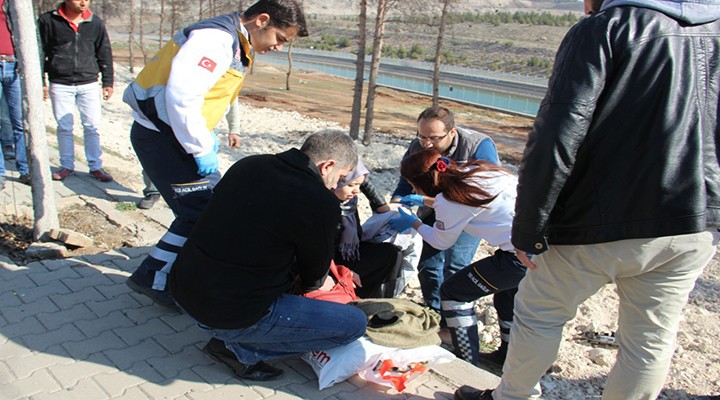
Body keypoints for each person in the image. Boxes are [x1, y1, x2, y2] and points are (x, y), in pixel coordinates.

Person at [454, 0, 720, 399]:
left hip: (596, 220)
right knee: (650, 336)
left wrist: (528, 229)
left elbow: (558, 133)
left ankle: (512, 396)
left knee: (540, 314)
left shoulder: (604, 28)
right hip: (693, 219)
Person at [122, 0, 308, 309]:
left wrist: (206, 134)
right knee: (199, 213)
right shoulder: (216, 40)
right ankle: (153, 278)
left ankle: (165, 273)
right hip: (162, 138)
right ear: (262, 20)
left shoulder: (236, 42)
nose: (278, 48)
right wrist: (201, 147)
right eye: (280, 39)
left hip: (177, 136)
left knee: (207, 210)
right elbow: (181, 97)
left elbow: (209, 96)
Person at [169, 129, 366, 381]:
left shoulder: (249, 164)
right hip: (231, 313)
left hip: (182, 287)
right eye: (340, 176)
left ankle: (233, 335)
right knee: (353, 325)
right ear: (327, 166)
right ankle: (238, 349)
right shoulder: (320, 201)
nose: (336, 184)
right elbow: (312, 280)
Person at [388, 148, 525, 367]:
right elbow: (466, 204)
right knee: (506, 296)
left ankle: (466, 362)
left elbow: (441, 241)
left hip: (518, 258)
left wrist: (414, 223)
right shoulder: (475, 169)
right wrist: (425, 201)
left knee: (454, 293)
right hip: (537, 248)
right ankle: (507, 355)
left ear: (425, 181)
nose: (413, 189)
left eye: (414, 185)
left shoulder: (450, 201)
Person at [390, 105, 500, 314]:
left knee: (456, 263)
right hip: (433, 208)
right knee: (428, 262)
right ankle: (435, 309)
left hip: (470, 214)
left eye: (434, 138)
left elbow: (483, 191)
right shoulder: (417, 146)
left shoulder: (477, 146)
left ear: (452, 132)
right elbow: (406, 182)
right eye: (422, 136)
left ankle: (456, 316)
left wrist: (429, 202)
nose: (427, 143)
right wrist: (397, 204)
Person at [38, 0, 114, 183]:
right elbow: (40, 52)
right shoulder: (48, 21)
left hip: (88, 83)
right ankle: (66, 166)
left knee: (92, 125)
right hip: (60, 82)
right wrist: (41, 82)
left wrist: (108, 81)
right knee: (64, 127)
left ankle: (95, 166)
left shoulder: (95, 23)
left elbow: (104, 52)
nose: (83, 2)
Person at [137, 98, 242, 210]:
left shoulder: (231, 81)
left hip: (207, 129)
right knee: (156, 163)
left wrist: (234, 130)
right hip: (172, 126)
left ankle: (188, 203)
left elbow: (232, 101)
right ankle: (152, 192)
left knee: (197, 175)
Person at [333, 156, 401, 298]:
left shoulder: (348, 203)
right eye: (351, 185)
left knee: (391, 253)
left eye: (359, 185)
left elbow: (360, 177)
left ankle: (378, 301)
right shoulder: (325, 203)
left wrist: (378, 201)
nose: (356, 191)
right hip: (330, 264)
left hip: (351, 254)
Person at [0, 0, 29, 188]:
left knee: (20, 121)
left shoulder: (15, 3)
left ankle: (25, 170)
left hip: (13, 65)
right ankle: (0, 173)